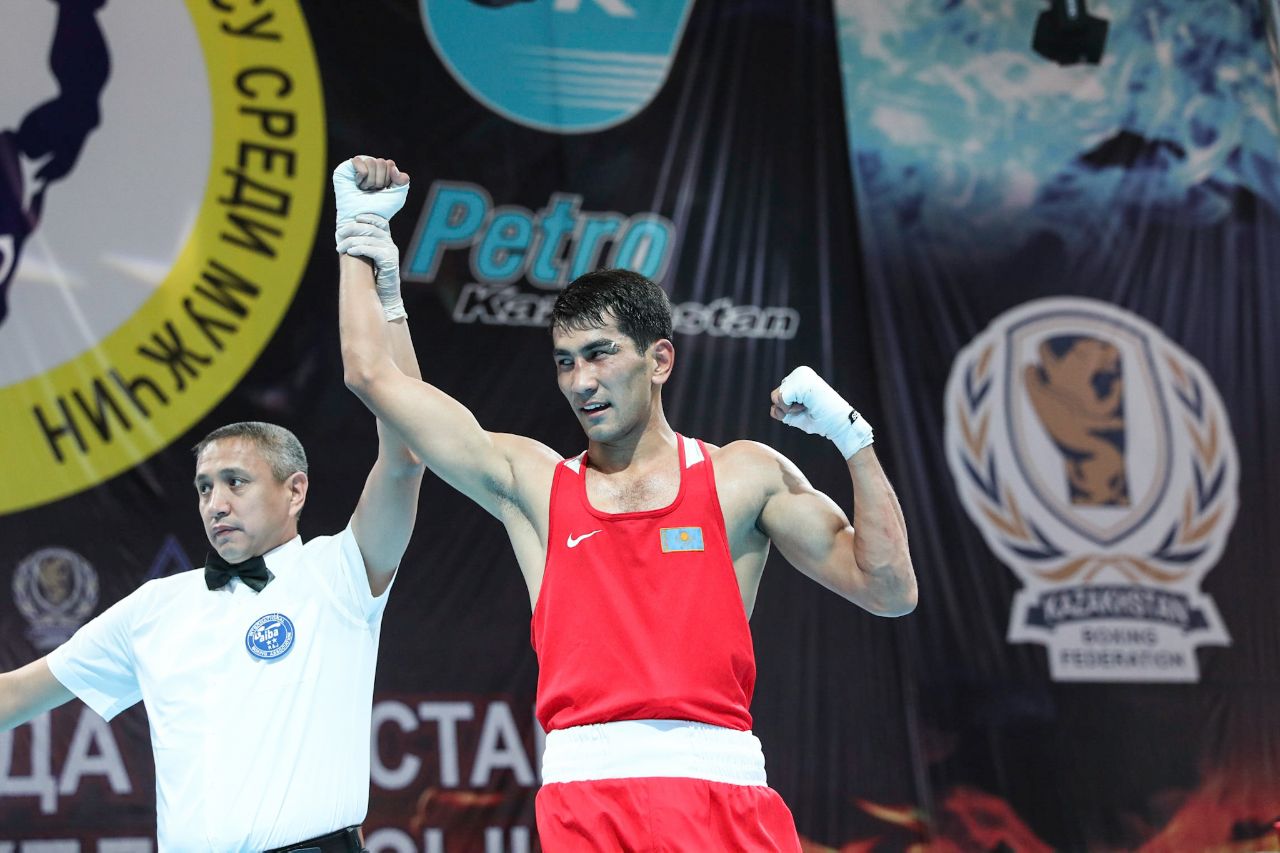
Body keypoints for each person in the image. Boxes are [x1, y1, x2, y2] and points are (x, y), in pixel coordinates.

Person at [336, 156, 917, 851]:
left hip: (725, 798)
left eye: (600, 353)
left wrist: (851, 437)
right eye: (565, 361)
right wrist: (365, 243)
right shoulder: (535, 485)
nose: (581, 380)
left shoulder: (742, 477)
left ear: (659, 359)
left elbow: (889, 590)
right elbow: (374, 378)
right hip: (589, 804)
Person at [0, 157, 426, 851]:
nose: (215, 502)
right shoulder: (157, 608)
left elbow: (408, 450)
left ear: (295, 490)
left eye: (236, 482)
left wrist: (373, 265)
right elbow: (14, 695)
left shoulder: (338, 573)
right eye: (204, 487)